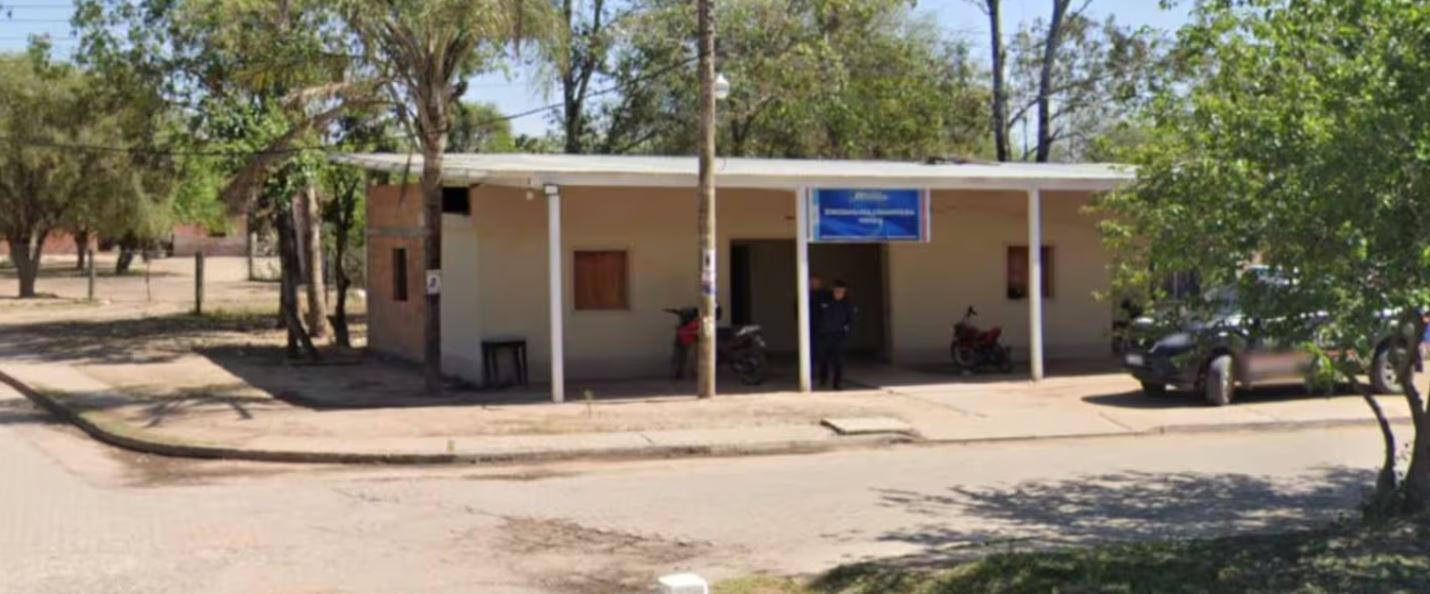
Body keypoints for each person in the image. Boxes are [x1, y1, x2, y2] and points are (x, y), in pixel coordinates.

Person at [815, 280, 857, 390]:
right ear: (833, 290)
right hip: (823, 334)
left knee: (838, 360)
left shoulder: (847, 303)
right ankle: (823, 378)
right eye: (837, 291)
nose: (839, 294)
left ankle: (837, 383)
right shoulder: (824, 300)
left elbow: (851, 318)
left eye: (842, 292)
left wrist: (847, 329)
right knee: (823, 358)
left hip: (838, 334)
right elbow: (815, 315)